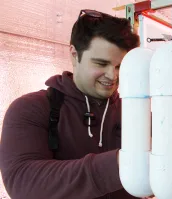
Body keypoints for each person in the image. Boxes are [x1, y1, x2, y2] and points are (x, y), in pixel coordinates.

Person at [0, 9, 140, 199]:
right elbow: (23, 183)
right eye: (101, 63)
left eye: (119, 66)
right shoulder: (31, 108)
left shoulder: (133, 112)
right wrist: (119, 163)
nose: (112, 76)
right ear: (74, 54)